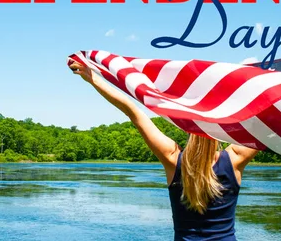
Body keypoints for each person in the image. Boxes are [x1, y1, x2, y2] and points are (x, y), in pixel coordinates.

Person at [69, 61, 259, 241]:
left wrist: (92, 77)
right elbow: (265, 123)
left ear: (189, 131)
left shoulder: (173, 158)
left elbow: (133, 112)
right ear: (218, 131)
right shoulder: (235, 159)